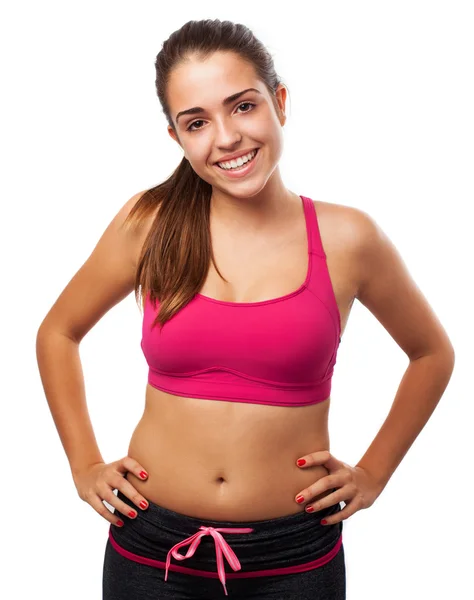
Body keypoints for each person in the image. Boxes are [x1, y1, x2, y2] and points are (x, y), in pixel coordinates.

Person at [36, 18, 455, 600]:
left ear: (279, 102)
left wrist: (374, 473)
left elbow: (431, 353)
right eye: (197, 122)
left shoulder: (348, 238)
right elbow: (58, 330)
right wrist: (83, 465)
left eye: (243, 106)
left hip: (294, 559)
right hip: (149, 549)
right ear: (177, 138)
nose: (227, 137)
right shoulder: (149, 226)